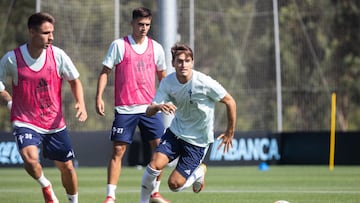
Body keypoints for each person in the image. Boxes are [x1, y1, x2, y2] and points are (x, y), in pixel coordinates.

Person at [0, 12, 88, 203]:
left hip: (53, 122)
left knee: (67, 168)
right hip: (25, 120)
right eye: (46, 33)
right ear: (32, 32)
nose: (52, 37)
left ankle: (73, 201)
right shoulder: (11, 59)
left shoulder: (58, 55)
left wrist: (81, 102)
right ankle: (46, 186)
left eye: (52, 32)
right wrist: (8, 99)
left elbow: (75, 80)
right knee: (30, 159)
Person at [139, 43, 237, 203]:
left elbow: (230, 101)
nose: (183, 64)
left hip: (197, 142)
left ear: (192, 62)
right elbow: (149, 111)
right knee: (153, 166)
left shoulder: (204, 82)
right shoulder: (168, 82)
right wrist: (157, 106)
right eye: (179, 61)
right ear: (173, 63)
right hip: (175, 134)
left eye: (187, 60)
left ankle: (198, 172)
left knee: (174, 185)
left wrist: (230, 132)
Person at [95, 7, 170, 203]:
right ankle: (110, 196)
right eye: (140, 24)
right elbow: (105, 72)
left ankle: (154, 192)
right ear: (132, 24)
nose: (144, 28)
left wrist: (166, 100)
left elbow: (163, 77)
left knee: (161, 150)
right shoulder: (119, 45)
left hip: (150, 108)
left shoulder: (157, 48)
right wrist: (99, 97)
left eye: (147, 25)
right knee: (118, 151)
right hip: (125, 108)